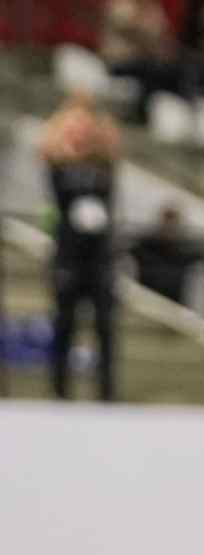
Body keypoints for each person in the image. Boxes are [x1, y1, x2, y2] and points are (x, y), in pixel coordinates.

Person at [40, 88, 122, 401]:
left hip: (99, 256)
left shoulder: (104, 165)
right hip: (68, 255)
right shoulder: (59, 165)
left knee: (104, 327)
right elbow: (47, 145)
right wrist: (68, 117)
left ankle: (107, 394)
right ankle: (60, 392)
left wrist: (93, 115)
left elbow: (112, 142)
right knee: (65, 324)